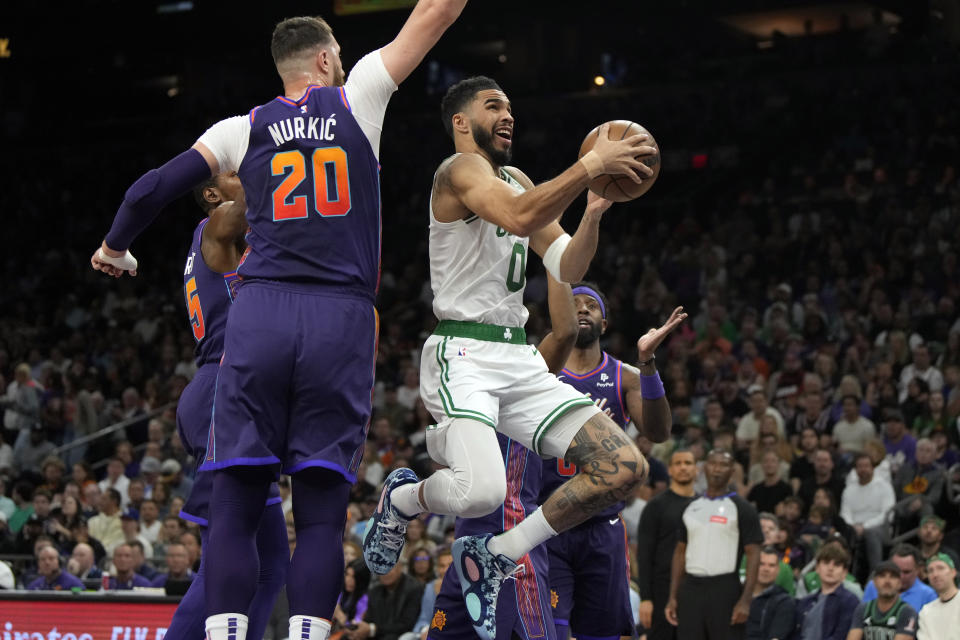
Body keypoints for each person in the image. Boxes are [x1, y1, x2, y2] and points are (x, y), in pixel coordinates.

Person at [91, 5, 469, 640]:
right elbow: (435, 10)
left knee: (237, 506)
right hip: (340, 320)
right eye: (340, 56)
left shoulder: (241, 129)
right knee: (320, 515)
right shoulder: (360, 97)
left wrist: (116, 247)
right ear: (325, 60)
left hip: (259, 317)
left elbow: (150, 189)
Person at [363, 75, 662, 640]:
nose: (507, 116)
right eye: (492, 106)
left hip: (518, 358)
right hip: (465, 352)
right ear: (459, 121)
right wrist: (589, 164)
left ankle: (498, 555)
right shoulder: (459, 171)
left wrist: (594, 211)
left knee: (624, 468)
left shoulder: (518, 179)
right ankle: (402, 499)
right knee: (482, 492)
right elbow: (522, 218)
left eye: (510, 107)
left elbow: (568, 265)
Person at [163, 173, 288, 640]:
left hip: (232, 391)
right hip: (224, 390)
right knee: (224, 558)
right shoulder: (215, 223)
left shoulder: (230, 242)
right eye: (236, 172)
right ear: (212, 194)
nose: (249, 171)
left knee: (271, 564)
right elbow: (258, 203)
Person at [427, 275, 579, 640]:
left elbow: (563, 335)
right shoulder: (457, 378)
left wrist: (558, 259)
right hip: (465, 549)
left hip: (511, 553)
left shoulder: (523, 380)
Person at [540, 282, 680, 640]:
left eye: (592, 306)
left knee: (601, 633)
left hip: (601, 528)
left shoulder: (625, 376)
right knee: (548, 631)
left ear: (604, 325)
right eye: (575, 305)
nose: (583, 309)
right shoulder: (537, 372)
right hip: (549, 523)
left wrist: (647, 362)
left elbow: (660, 432)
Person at [665, 449, 763, 640]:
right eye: (713, 464)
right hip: (691, 588)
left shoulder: (743, 509)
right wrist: (673, 596)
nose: (717, 469)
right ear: (703, 469)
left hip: (725, 588)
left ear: (732, 470)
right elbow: (679, 552)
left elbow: (754, 554)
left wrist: (745, 600)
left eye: (724, 465)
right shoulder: (690, 508)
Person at [637, 449, 698, 640]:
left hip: (695, 587)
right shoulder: (655, 506)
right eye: (678, 463)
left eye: (688, 463)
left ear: (696, 469)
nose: (683, 467)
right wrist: (646, 597)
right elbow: (644, 554)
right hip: (661, 588)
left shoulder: (703, 505)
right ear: (669, 470)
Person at [840, 453, 896, 570]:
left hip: (879, 528)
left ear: (872, 468)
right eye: (860, 466)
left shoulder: (884, 486)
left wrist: (864, 526)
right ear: (855, 469)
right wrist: (853, 527)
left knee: (871, 534)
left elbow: (887, 515)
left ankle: (875, 573)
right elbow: (845, 513)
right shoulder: (849, 489)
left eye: (866, 466)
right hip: (854, 528)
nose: (863, 469)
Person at [795, 545, 860, 640]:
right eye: (826, 563)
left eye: (836, 565)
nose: (830, 568)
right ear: (817, 568)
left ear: (844, 572)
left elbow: (841, 635)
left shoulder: (850, 601)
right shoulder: (806, 602)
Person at [349, 562, 423, 640]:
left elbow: (406, 624)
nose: (385, 572)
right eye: (381, 568)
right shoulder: (374, 591)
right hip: (376, 634)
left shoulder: (414, 589)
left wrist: (373, 629)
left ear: (400, 568)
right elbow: (369, 619)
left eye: (390, 567)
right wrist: (358, 628)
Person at [847, 561, 918, 640]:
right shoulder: (863, 609)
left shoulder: (907, 612)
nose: (887, 581)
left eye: (893, 577)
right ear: (874, 582)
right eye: (882, 576)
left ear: (899, 583)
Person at [861, 545, 937, 613]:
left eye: (906, 572)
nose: (900, 576)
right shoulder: (874, 585)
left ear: (918, 570)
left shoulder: (928, 595)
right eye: (896, 571)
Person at [746, 546, 796, 640]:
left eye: (771, 565)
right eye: (761, 564)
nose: (766, 569)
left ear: (778, 570)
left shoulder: (784, 602)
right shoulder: (738, 595)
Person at [917, 553, 960, 640]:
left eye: (940, 568)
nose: (935, 574)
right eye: (930, 570)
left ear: (953, 572)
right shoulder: (926, 611)